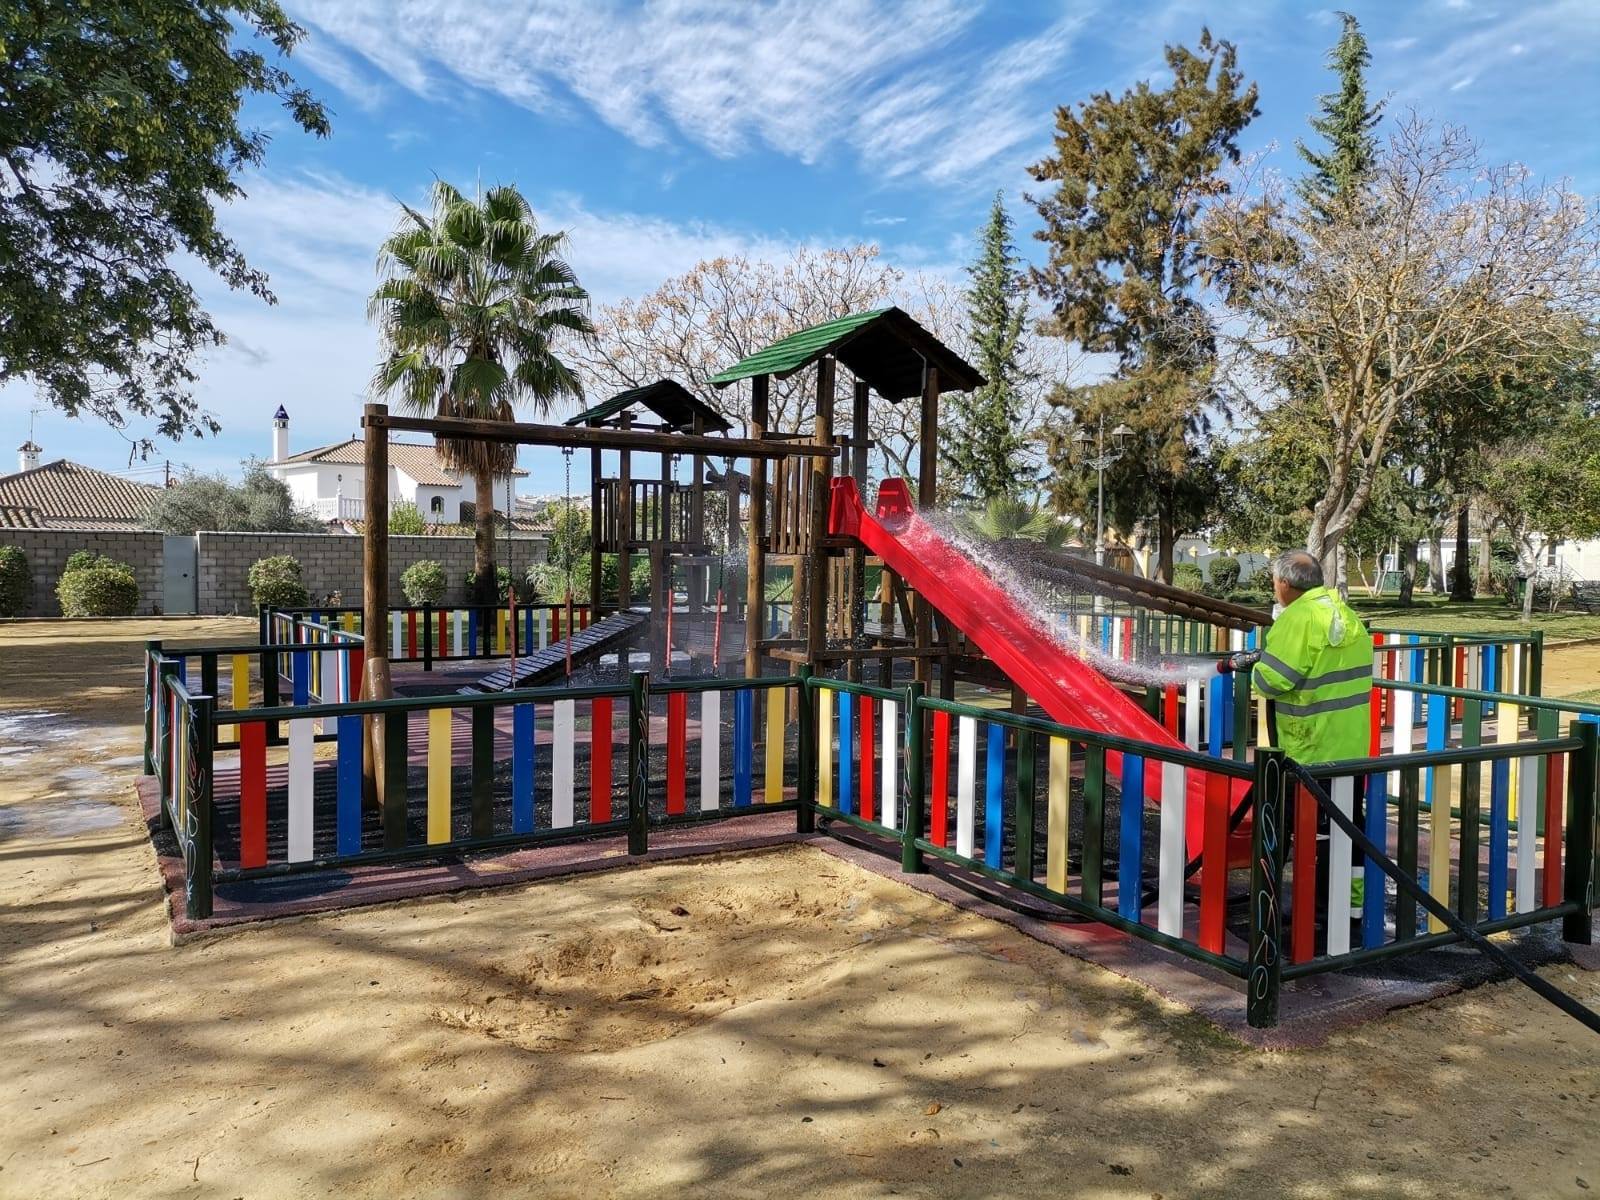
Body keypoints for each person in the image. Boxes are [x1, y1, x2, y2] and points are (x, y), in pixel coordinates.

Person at [1250, 550, 1373, 765]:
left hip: (1310, 751)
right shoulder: (1345, 614)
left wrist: (1256, 666)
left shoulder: (1297, 619)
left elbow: (1268, 683)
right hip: (1352, 747)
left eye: (1274, 582)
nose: (1274, 588)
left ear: (1285, 584)